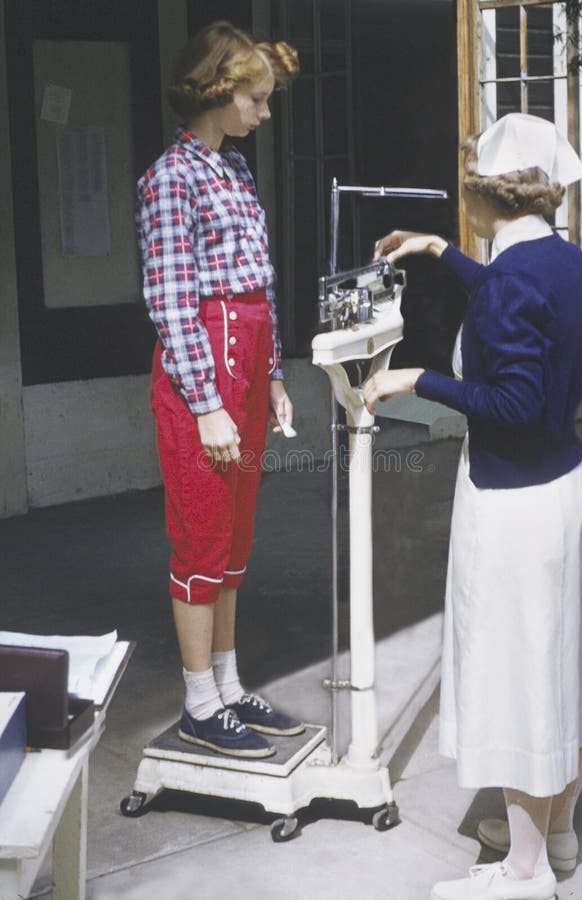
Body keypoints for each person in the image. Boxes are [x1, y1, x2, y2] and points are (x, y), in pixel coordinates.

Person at [363, 113, 582, 900]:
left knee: (521, 682)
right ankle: (560, 833)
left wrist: (414, 379)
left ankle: (522, 869)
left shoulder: (516, 279)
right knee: (565, 670)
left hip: (515, 511)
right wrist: (442, 254)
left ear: (481, 194)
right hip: (566, 492)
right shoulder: (562, 260)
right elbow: (517, 299)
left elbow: (510, 399)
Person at [136, 21, 303, 759]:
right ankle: (199, 703)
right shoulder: (170, 177)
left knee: (234, 539)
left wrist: (270, 378)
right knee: (201, 537)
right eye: (256, 99)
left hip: (247, 362)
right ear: (216, 91)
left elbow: (256, 284)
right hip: (201, 375)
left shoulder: (231, 169)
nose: (264, 114)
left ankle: (229, 688)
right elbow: (173, 304)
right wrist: (206, 405)